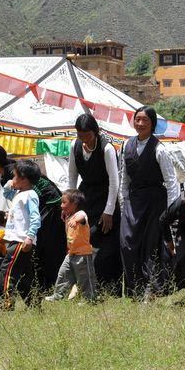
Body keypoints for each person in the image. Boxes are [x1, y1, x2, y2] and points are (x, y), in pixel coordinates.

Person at [0, 144, 66, 292]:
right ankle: (38, 287)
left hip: (49, 204)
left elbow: (31, 195)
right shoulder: (7, 174)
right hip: (43, 205)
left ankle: (49, 285)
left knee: (45, 246)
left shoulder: (12, 172)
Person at [119, 106, 179, 300]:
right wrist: (123, 204)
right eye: (137, 119)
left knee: (151, 245)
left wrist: (171, 212)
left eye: (145, 120)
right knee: (127, 243)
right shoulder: (126, 146)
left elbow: (171, 182)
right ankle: (134, 288)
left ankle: (151, 289)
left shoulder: (160, 149)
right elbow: (124, 179)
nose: (140, 123)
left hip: (155, 202)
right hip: (133, 201)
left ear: (152, 123)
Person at [67, 114, 121, 294]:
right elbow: (72, 177)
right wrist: (70, 203)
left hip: (106, 199)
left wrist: (109, 211)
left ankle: (108, 288)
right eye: (80, 135)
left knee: (106, 247)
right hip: (85, 199)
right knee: (83, 241)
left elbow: (114, 181)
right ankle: (84, 286)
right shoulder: (74, 146)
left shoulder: (106, 149)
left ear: (95, 132)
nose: (84, 139)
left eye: (87, 135)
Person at [0, 160, 43, 310]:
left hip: (20, 241)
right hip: (19, 241)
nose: (12, 179)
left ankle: (6, 305)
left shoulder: (30, 195)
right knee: (24, 276)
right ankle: (35, 305)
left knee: (7, 272)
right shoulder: (19, 194)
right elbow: (6, 193)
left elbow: (36, 218)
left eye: (15, 176)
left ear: (24, 179)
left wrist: (29, 237)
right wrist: (9, 183)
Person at [46, 189, 98, 303]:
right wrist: (66, 214)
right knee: (63, 274)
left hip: (83, 254)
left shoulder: (80, 214)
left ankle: (89, 299)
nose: (61, 205)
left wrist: (76, 221)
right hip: (71, 253)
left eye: (64, 202)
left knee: (85, 278)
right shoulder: (68, 215)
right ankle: (58, 295)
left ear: (74, 204)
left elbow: (83, 217)